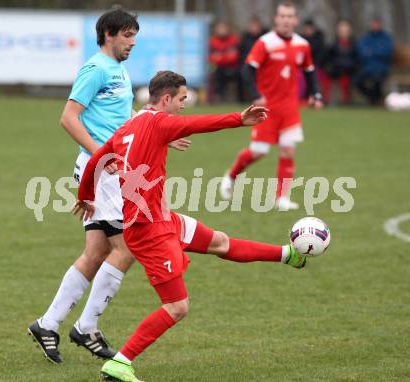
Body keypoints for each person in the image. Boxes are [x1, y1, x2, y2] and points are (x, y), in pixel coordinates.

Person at [74, 70, 307, 382]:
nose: (184, 105)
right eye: (182, 99)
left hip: (163, 220)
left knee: (220, 242)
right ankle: (120, 362)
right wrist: (239, 118)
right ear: (166, 99)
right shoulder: (158, 121)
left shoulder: (128, 127)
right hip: (148, 230)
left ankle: (287, 253)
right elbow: (198, 124)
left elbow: (94, 161)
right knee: (177, 306)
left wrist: (86, 196)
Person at [27, 8, 141, 364]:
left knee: (96, 252)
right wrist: (101, 155)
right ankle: (87, 326)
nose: (132, 42)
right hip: (103, 172)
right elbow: (68, 118)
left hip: (110, 170)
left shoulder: (118, 69)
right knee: (128, 248)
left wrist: (158, 133)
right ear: (108, 34)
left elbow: (120, 119)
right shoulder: (96, 69)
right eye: (126, 35)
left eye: (134, 35)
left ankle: (48, 324)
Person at [220, 1, 323, 210]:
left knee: (288, 151)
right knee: (259, 151)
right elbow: (247, 70)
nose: (286, 20)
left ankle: (281, 198)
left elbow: (310, 71)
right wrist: (256, 95)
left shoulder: (302, 44)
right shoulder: (265, 43)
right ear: (276, 19)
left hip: (289, 108)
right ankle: (230, 177)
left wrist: (316, 94)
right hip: (266, 109)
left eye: (290, 16)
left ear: (295, 20)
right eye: (282, 16)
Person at [355, 16, 393, 105]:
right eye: (373, 24)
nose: (375, 26)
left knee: (377, 79)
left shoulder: (386, 38)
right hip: (367, 68)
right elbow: (361, 53)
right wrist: (377, 51)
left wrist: (371, 52)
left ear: (380, 24)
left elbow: (387, 53)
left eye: (377, 24)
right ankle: (373, 98)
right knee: (356, 81)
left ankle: (375, 100)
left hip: (381, 67)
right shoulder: (366, 38)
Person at [324, 20, 357, 104]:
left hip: (349, 70)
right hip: (336, 69)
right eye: (341, 30)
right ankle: (326, 100)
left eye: (345, 31)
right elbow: (328, 58)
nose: (343, 33)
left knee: (346, 79)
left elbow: (356, 58)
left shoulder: (354, 44)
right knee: (326, 76)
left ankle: (345, 101)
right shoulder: (333, 44)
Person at [209, 21, 242, 102]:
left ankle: (241, 99)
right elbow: (211, 58)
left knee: (242, 75)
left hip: (234, 67)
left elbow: (234, 57)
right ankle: (218, 98)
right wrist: (226, 56)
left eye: (224, 28)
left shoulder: (234, 39)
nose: (222, 30)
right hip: (219, 68)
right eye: (220, 28)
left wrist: (220, 57)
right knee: (215, 75)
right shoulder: (213, 41)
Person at [239, 17, 268, 101]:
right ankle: (250, 97)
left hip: (262, 64)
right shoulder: (245, 37)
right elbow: (241, 52)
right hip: (249, 63)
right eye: (252, 26)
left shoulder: (264, 38)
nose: (254, 28)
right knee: (245, 72)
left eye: (256, 26)